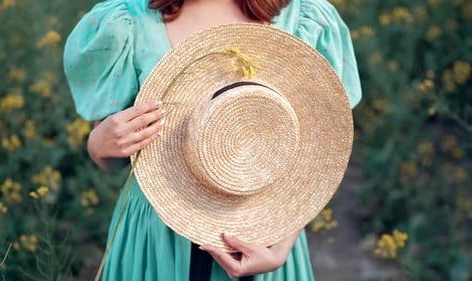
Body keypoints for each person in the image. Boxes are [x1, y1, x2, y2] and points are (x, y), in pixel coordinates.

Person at [63, 0, 362, 280]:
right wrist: (98, 144)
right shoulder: (129, 21)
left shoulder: (303, 19)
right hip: (157, 237)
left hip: (268, 238)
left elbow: (317, 151)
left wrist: (281, 245)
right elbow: (112, 157)